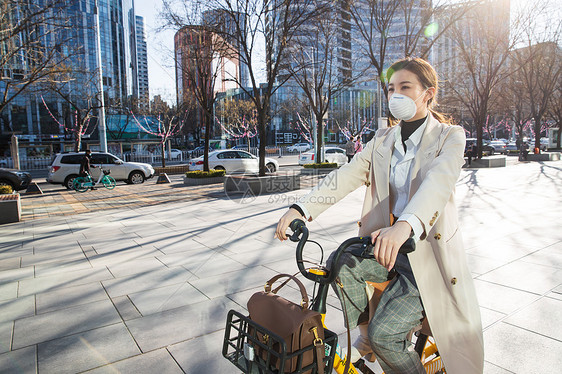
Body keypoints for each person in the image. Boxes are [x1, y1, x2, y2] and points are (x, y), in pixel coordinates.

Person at [275, 57, 484, 374]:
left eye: (405, 87)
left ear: (427, 93)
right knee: (341, 263)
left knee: (388, 335)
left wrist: (405, 225)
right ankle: (366, 341)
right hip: (387, 247)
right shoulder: (383, 140)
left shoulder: (449, 137)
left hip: (425, 256)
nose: (395, 94)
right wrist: (300, 208)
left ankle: (383, 345)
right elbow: (345, 176)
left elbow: (437, 185)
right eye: (390, 88)